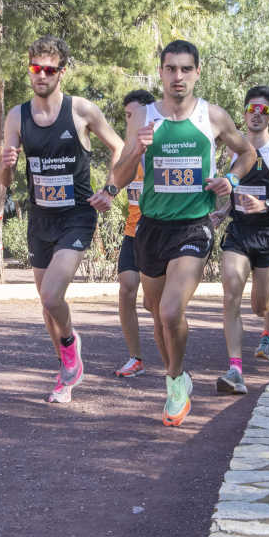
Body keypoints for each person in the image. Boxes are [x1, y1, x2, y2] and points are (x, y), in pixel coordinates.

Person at [111, 40, 256, 426]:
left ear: (197, 72)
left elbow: (247, 153)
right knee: (156, 312)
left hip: (193, 226)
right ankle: (177, 378)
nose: (178, 76)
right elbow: (119, 176)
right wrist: (136, 151)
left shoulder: (212, 116)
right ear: (161, 72)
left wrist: (230, 179)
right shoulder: (143, 117)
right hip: (150, 227)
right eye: (171, 68)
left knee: (171, 310)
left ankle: (175, 381)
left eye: (186, 69)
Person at [1, 35, 124, 403]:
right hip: (40, 219)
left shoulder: (81, 110)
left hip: (77, 216)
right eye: (35, 68)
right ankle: (65, 371)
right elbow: (5, 180)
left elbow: (119, 146)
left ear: (61, 73)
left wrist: (110, 189)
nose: (41, 75)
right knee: (47, 305)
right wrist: (6, 164)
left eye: (49, 69)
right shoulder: (17, 116)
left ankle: (71, 347)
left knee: (52, 295)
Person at [209, 86, 269, 394]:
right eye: (252, 109)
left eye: (263, 111)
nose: (256, 115)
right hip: (239, 231)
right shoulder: (234, 148)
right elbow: (235, 190)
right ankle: (235, 370)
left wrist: (267, 204)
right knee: (230, 294)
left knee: (261, 308)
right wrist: (223, 211)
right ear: (244, 113)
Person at [113, 89, 156, 378]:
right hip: (133, 233)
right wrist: (107, 192)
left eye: (133, 115)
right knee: (126, 289)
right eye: (127, 115)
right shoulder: (126, 149)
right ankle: (135, 358)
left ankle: (174, 359)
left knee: (153, 304)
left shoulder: (164, 145)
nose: (129, 120)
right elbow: (115, 180)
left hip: (159, 233)